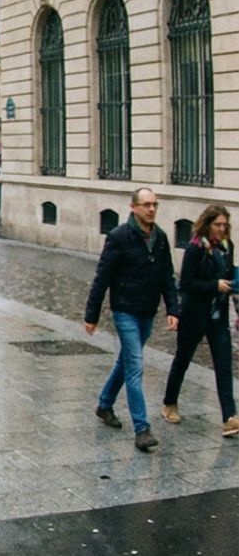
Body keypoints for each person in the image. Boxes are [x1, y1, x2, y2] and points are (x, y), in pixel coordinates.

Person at [85, 187, 180, 452]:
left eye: (155, 205)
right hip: (125, 309)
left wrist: (173, 308)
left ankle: (105, 404)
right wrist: (91, 315)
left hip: (147, 311)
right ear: (133, 207)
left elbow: (166, 276)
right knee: (136, 366)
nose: (151, 209)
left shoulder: (159, 238)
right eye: (146, 205)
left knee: (126, 362)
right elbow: (102, 277)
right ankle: (142, 429)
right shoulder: (119, 237)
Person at [161, 203, 238, 435]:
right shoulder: (195, 248)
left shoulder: (227, 247)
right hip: (194, 313)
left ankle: (229, 417)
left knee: (224, 363)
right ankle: (169, 403)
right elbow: (186, 284)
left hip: (218, 314)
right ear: (207, 224)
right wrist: (213, 285)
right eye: (217, 224)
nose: (221, 229)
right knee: (183, 359)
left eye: (225, 225)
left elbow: (229, 277)